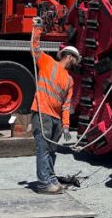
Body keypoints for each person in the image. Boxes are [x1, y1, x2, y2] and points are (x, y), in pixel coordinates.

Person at [30, 24, 79, 195]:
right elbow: (34, 48)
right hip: (43, 113)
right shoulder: (47, 62)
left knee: (51, 151)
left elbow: (66, 105)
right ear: (69, 56)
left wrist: (65, 125)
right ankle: (44, 184)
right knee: (43, 150)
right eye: (75, 59)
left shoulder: (69, 80)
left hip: (56, 118)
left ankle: (51, 179)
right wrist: (37, 29)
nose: (75, 63)